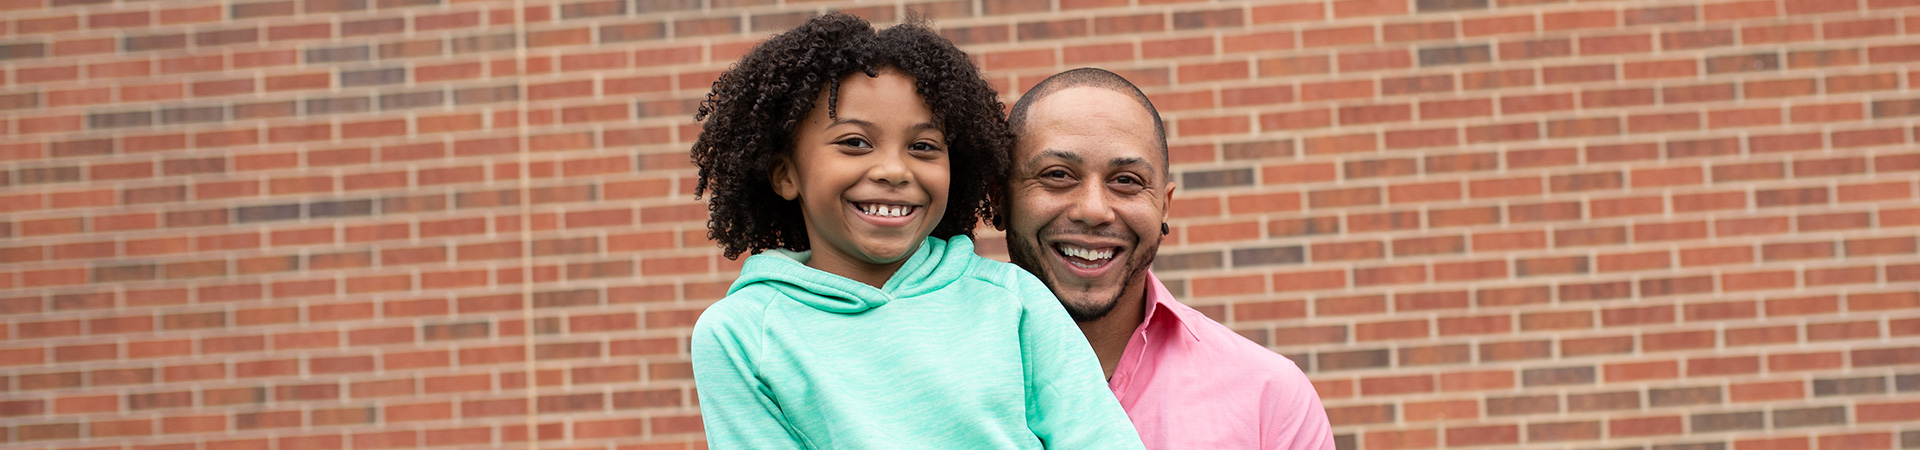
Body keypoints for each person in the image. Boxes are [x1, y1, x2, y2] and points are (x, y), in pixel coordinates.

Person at [687, 14, 1143, 449]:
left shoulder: (1013, 301)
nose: (893, 170)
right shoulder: (742, 334)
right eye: (855, 143)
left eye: (923, 146)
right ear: (785, 174)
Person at [997, 67, 1335, 449]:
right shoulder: (924, 371)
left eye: (1126, 180)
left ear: (1164, 206)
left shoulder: (1270, 398)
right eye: (1058, 175)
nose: (1093, 210)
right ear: (999, 197)